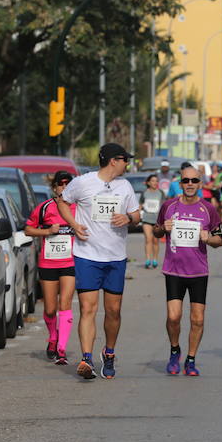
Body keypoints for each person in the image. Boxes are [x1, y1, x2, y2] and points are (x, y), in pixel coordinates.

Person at [57, 143, 140, 379]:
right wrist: (73, 225)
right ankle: (86, 359)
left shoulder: (125, 186)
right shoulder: (83, 182)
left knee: (113, 311)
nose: (128, 163)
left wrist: (128, 217)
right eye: (125, 159)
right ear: (114, 160)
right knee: (87, 308)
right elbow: (62, 201)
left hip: (115, 257)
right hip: (87, 256)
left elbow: (136, 215)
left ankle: (109, 353)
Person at [153, 166, 222, 376]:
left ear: (200, 183)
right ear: (180, 184)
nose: (190, 184)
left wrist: (208, 238)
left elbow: (220, 240)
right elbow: (157, 231)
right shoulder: (169, 206)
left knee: (198, 319)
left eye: (194, 181)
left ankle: (191, 359)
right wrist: (162, 228)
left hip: (198, 272)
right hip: (174, 270)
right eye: (186, 181)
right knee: (174, 317)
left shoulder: (208, 209)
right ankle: (175, 351)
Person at [25, 170, 76, 365]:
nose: (64, 187)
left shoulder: (78, 208)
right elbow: (28, 229)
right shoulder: (44, 208)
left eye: (68, 184)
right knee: (49, 309)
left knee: (65, 304)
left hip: (70, 262)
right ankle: (53, 338)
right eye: (61, 184)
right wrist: (47, 230)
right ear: (54, 187)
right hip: (48, 263)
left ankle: (61, 349)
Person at [139, 174, 164, 268]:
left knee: (155, 241)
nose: (155, 183)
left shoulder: (160, 193)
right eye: (153, 181)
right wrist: (138, 215)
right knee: (148, 239)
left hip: (157, 220)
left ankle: (155, 260)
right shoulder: (144, 192)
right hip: (146, 219)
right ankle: (148, 260)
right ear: (148, 182)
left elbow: (163, 206)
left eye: (156, 181)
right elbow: (140, 205)